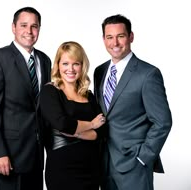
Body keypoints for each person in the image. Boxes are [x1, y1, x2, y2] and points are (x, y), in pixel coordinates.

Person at [93, 14, 172, 190]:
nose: (115, 43)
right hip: (104, 164)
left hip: (134, 166)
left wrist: (143, 157)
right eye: (109, 37)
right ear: (103, 39)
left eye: (120, 36)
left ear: (131, 37)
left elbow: (163, 122)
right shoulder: (99, 72)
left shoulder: (148, 74)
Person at [0, 7, 51, 190]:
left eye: (34, 26)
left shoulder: (45, 60)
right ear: (13, 27)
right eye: (24, 25)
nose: (29, 31)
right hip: (7, 158)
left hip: (35, 158)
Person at [39, 41, 106, 190]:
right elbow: (62, 124)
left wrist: (76, 133)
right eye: (65, 64)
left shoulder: (88, 95)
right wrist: (91, 125)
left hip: (91, 167)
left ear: (82, 66)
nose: (70, 69)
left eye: (76, 64)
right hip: (63, 168)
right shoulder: (50, 91)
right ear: (58, 65)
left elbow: (103, 130)